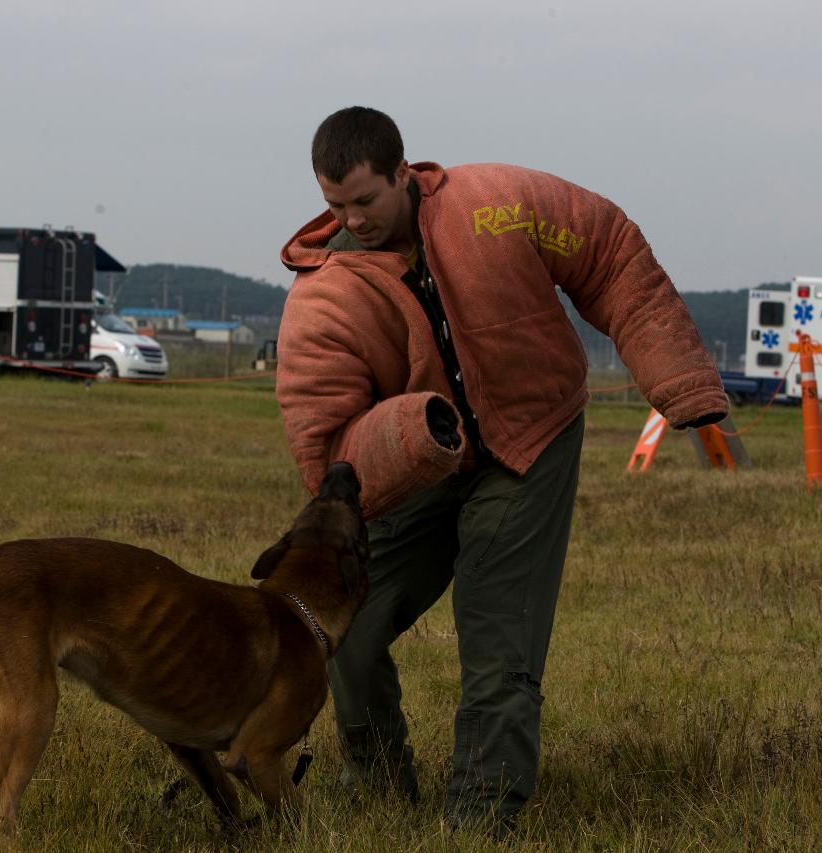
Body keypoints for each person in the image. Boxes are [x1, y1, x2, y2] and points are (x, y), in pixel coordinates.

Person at [275, 107, 727, 834]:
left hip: (532, 434)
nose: (351, 220)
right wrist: (412, 431)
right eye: (334, 206)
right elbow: (326, 451)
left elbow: (609, 253)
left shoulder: (500, 206)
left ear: (402, 173)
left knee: (495, 637)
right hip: (421, 464)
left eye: (365, 200)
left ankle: (480, 818)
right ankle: (380, 789)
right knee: (340, 625)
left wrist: (683, 385)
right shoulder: (322, 298)